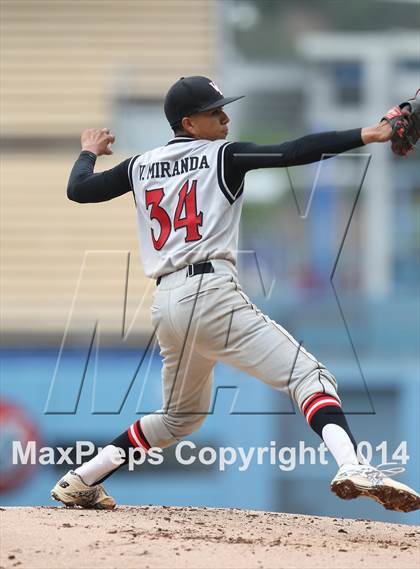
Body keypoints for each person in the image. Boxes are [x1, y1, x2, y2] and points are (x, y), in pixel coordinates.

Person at [51, 76, 419, 512]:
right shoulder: (222, 155)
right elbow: (294, 151)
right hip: (211, 294)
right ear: (188, 122)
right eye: (214, 112)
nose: (225, 117)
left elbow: (78, 190)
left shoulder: (140, 165)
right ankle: (355, 464)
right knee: (310, 377)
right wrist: (372, 132)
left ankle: (81, 479)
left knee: (179, 418)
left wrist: (89, 150)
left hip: (167, 303)